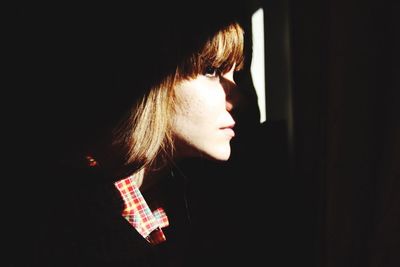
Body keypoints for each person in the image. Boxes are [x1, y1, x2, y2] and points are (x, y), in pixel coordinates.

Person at [10, 2, 256, 266]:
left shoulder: (187, 202)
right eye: (212, 71)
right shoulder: (60, 216)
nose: (238, 98)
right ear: (155, 78)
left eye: (236, 75)